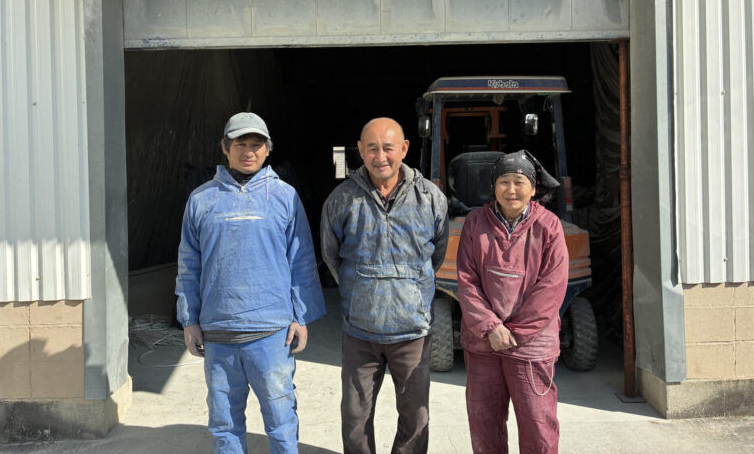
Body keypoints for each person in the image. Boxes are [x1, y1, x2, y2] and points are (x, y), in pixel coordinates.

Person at [176, 112, 326, 454]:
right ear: (225, 148)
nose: (248, 152)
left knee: (281, 419)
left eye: (256, 144)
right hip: (219, 333)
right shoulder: (201, 199)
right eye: (240, 144)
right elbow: (189, 264)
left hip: (272, 333)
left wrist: (300, 317)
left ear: (267, 149)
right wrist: (189, 319)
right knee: (225, 424)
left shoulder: (284, 196)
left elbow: (301, 260)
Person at [320, 117, 449, 454]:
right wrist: (361, 294)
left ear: (403, 149)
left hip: (412, 331)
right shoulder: (341, 199)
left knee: (415, 417)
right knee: (355, 417)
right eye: (372, 148)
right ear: (360, 150)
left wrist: (409, 290)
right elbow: (331, 256)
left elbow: (436, 255)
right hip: (360, 332)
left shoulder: (430, 198)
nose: (381, 157)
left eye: (388, 148)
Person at [456, 150, 569, 454]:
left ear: (533, 189)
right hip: (484, 342)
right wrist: (491, 327)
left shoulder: (549, 225)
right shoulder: (475, 222)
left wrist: (515, 333)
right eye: (504, 181)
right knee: (484, 424)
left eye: (519, 182)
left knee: (538, 426)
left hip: (531, 345)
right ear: (493, 187)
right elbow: (466, 280)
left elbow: (552, 287)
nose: (511, 189)